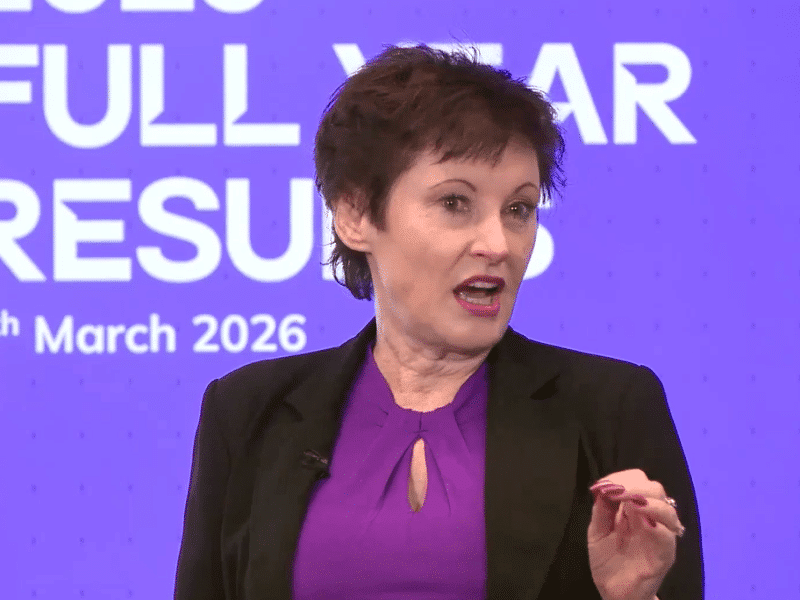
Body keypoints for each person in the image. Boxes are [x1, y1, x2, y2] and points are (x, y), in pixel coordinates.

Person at [173, 44, 704, 600]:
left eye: (519, 209)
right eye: (455, 203)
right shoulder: (248, 411)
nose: (498, 244)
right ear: (355, 214)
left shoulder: (611, 409)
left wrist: (634, 598)